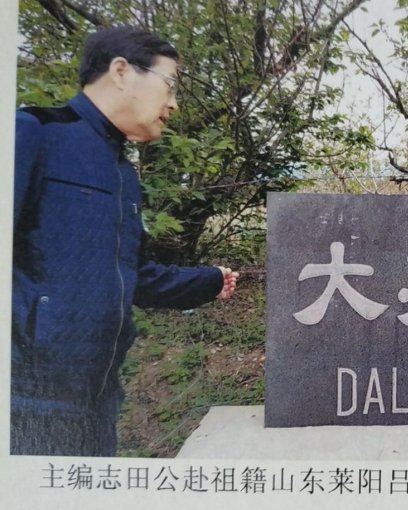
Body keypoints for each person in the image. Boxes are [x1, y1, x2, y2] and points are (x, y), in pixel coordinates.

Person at [12, 26, 239, 456]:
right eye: (169, 84)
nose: (173, 103)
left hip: (96, 403)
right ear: (121, 71)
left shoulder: (122, 174)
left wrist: (209, 280)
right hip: (27, 402)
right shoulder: (34, 133)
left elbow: (134, 276)